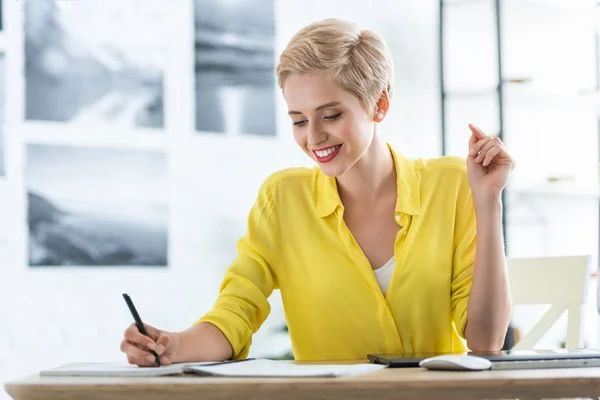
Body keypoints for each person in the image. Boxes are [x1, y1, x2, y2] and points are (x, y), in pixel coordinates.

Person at [120, 18, 514, 366]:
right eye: (298, 121)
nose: (314, 137)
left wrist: (488, 201)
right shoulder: (282, 198)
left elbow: (486, 341)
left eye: (331, 115)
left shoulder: (451, 185)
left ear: (380, 104)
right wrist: (173, 346)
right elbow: (236, 311)